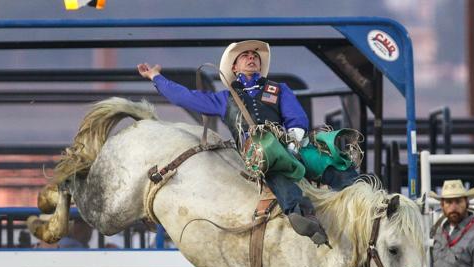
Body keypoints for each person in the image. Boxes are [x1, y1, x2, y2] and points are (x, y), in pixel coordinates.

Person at [138, 40, 357, 245]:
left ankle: (361, 195)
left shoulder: (278, 88)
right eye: (245, 56)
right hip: (259, 153)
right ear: (234, 68)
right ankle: (301, 215)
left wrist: (294, 140)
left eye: (255, 56)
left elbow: (296, 117)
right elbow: (184, 97)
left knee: (326, 158)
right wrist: (157, 77)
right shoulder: (225, 99)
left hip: (291, 143)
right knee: (273, 164)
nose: (252, 58)